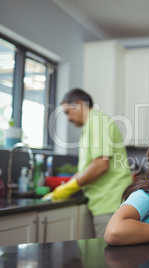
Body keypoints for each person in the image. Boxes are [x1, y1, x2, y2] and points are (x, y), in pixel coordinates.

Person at [43, 88, 133, 238]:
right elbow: (86, 168)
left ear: (79, 104)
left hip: (110, 202)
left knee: (107, 258)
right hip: (104, 202)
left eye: (67, 112)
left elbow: (100, 165)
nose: (68, 118)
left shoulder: (97, 121)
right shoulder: (91, 126)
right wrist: (66, 186)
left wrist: (72, 186)